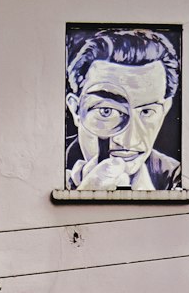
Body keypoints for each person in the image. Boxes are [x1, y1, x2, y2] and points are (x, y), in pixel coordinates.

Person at [65, 28, 182, 193]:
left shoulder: (177, 177)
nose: (129, 141)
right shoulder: (48, 169)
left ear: (165, 110)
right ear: (76, 109)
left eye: (147, 112)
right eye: (106, 111)